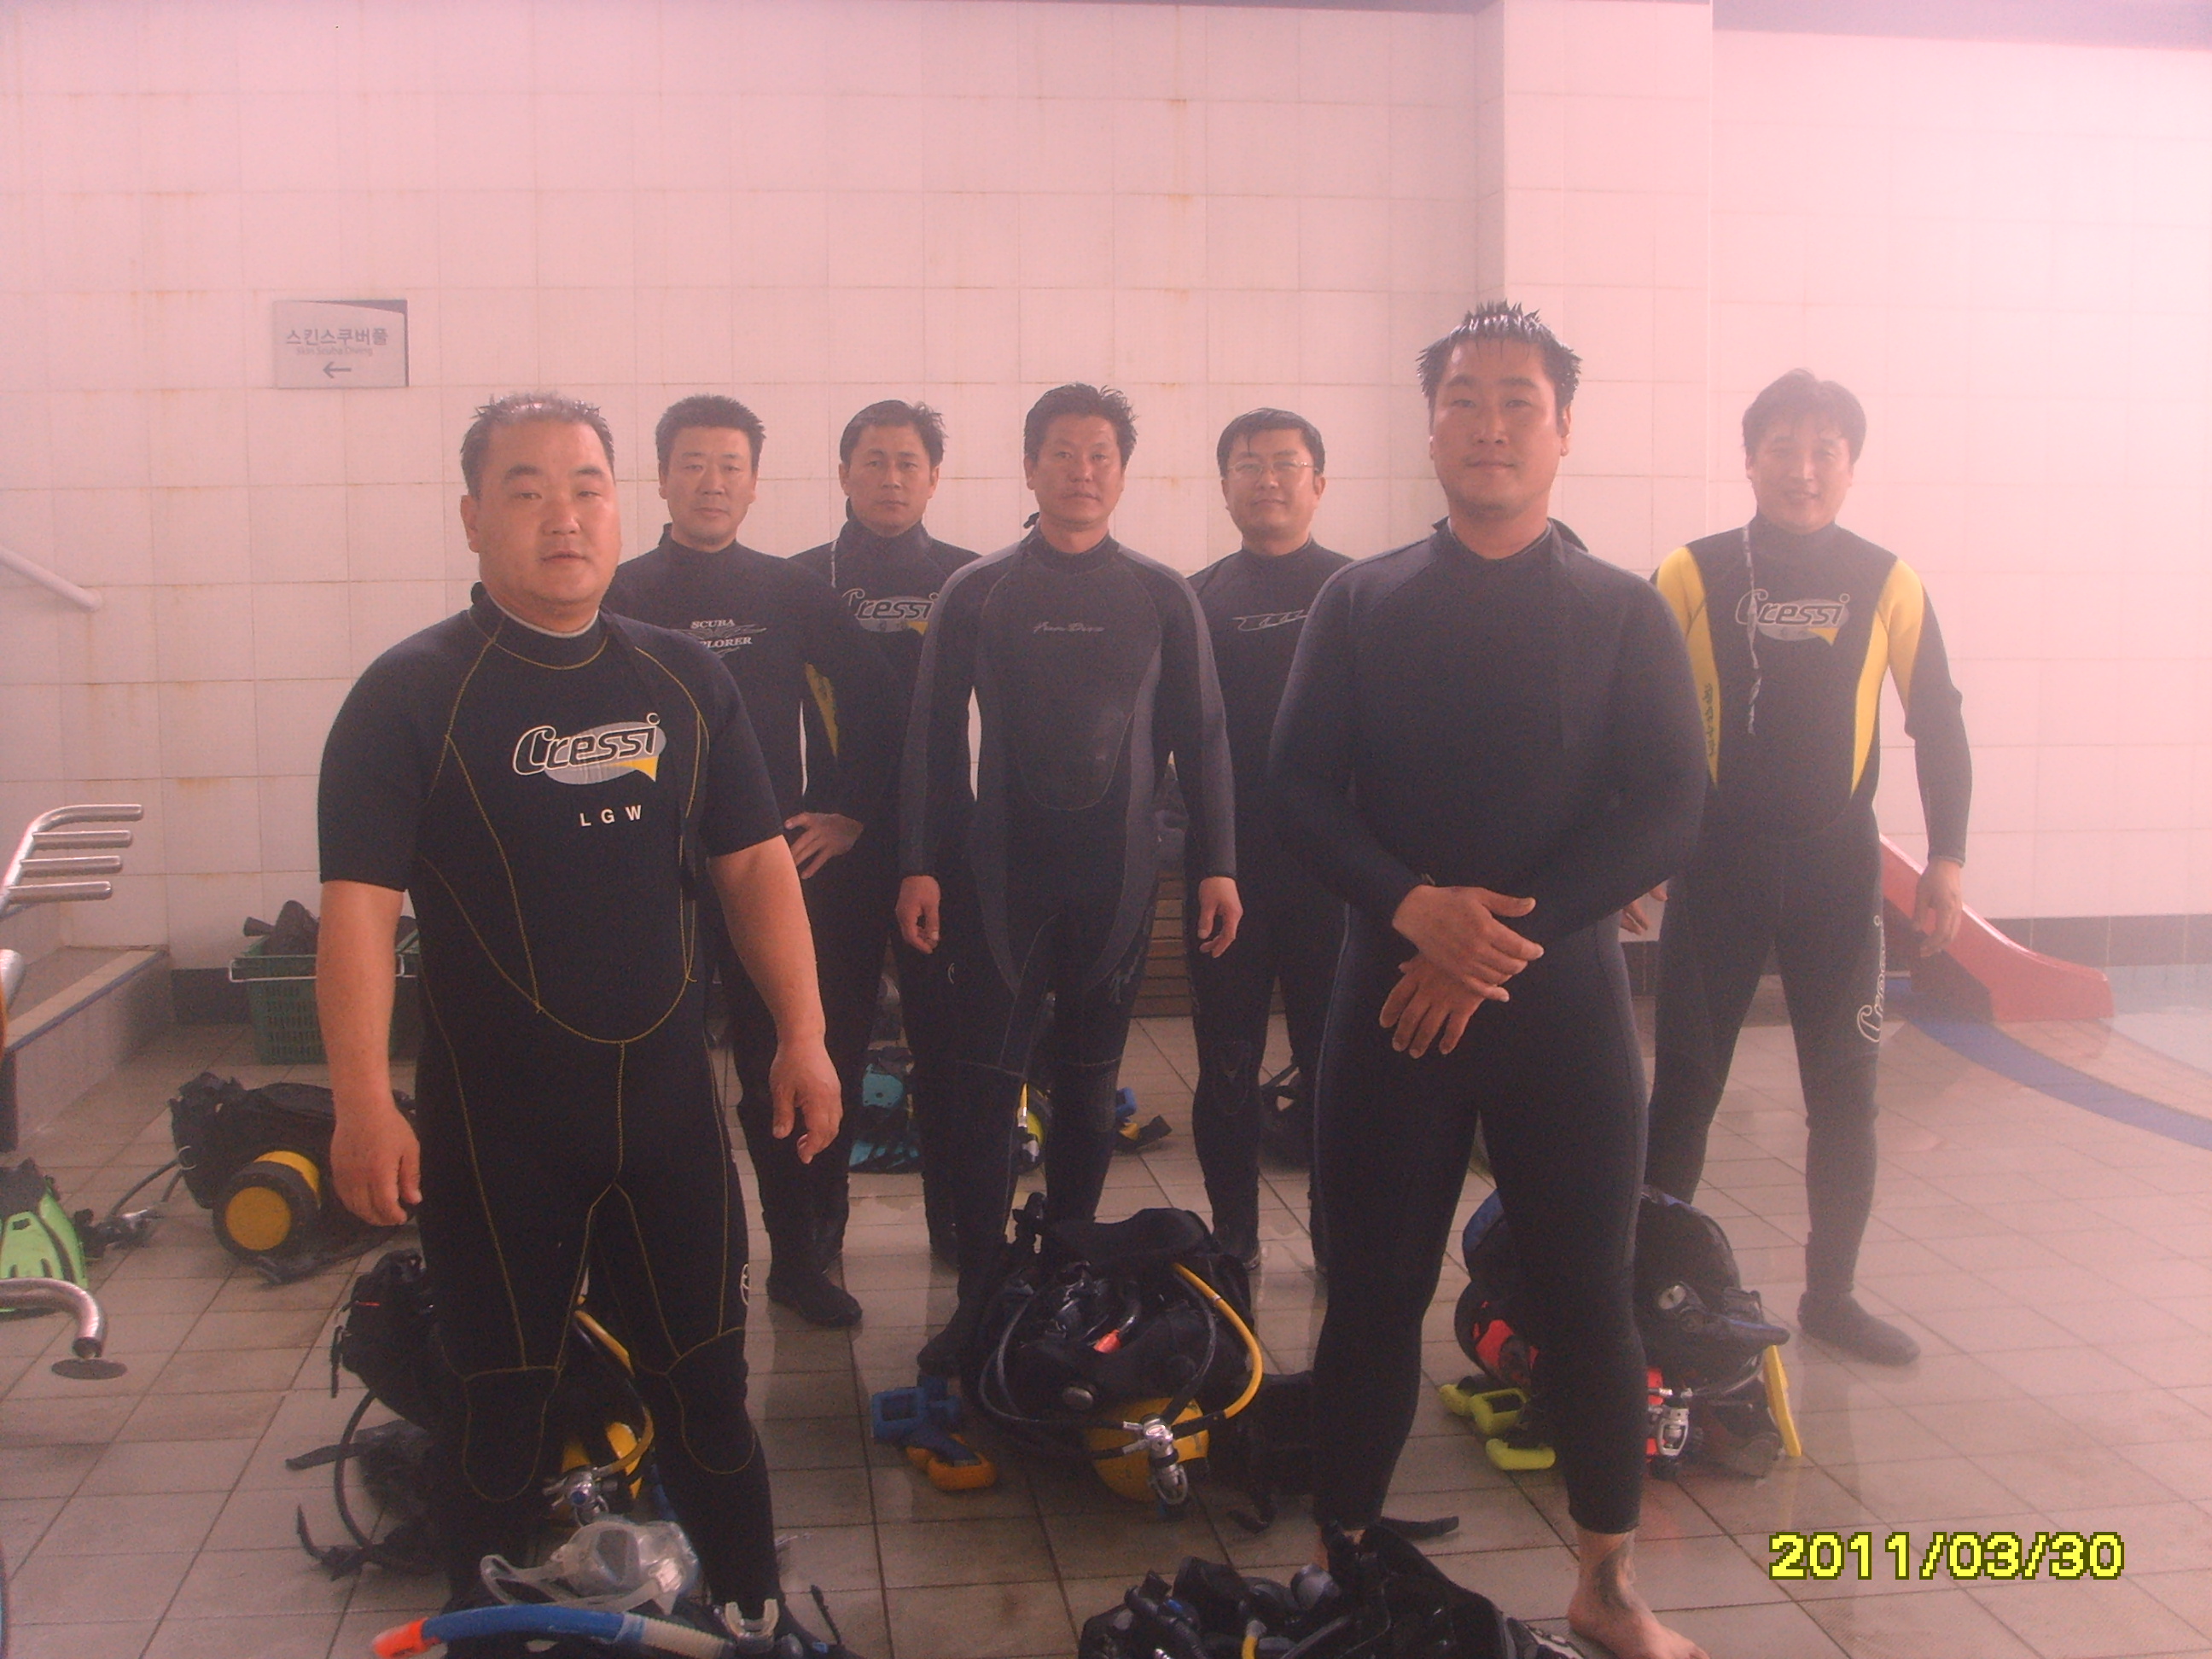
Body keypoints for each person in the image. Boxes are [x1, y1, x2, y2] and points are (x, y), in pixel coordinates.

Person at [317, 393, 843, 1652]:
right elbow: (358, 914)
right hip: (498, 1134)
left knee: (709, 1388)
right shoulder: (409, 695)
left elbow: (755, 869)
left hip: (666, 1123)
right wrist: (362, 1101)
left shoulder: (684, 677)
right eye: (528, 489)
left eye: (587, 486)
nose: (564, 515)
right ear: (472, 517)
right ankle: (481, 1625)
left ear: (620, 505)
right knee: (497, 1405)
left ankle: (751, 1612)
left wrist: (805, 1032)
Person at [1273, 305, 1709, 1659]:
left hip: (1559, 1010)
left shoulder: (1622, 610)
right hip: (1391, 1004)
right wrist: (1417, 911)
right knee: (1372, 1297)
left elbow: (1672, 807)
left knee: (1588, 1300)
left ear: (1564, 430)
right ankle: (1346, 1563)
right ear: (1431, 429)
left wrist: (1496, 940)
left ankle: (1608, 1587)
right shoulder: (1362, 601)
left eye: (1521, 400)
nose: (1492, 424)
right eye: (1465, 399)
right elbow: (1295, 787)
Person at [897, 382, 1242, 1375]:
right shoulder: (979, 591)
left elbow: (1203, 738)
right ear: (1030, 465)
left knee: (1091, 1096)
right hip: (998, 879)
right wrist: (918, 862)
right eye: (1062, 452)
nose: (1082, 470)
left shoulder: (1161, 596)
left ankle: (1064, 1274)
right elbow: (931, 738)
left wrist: (1219, 864)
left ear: (1122, 472)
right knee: (984, 1095)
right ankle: (977, 1294)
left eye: (1100, 454)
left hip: (1116, 881)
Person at [1637, 369, 1970, 1368]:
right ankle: (1649, 1289)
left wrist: (1948, 856)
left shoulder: (1887, 579)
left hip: (1837, 874)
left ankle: (1833, 1295)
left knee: (1846, 1094)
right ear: (1749, 459)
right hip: (1717, 869)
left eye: (1826, 448)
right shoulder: (1691, 572)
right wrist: (1635, 844)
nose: (1804, 467)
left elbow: (1938, 720)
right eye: (1782, 446)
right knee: (1685, 1090)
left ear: (1851, 465)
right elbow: (1634, 715)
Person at [602, 394, 901, 1329]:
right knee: (658, 1072)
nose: (712, 482)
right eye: (693, 464)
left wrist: (849, 812)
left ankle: (804, 1256)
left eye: (730, 466)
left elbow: (879, 703)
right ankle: (677, 1259)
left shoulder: (790, 592)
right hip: (650, 879)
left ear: (755, 483)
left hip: (771, 868)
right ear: (662, 478)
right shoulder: (619, 595)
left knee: (796, 1059)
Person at [791, 401, 977, 1266]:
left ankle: (955, 1224)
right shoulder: (802, 581)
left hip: (943, 845)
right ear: (843, 473)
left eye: (908, 462)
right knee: (829, 1040)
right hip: (833, 847)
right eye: (873, 461)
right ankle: (819, 1227)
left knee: (948, 1047)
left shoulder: (971, 579)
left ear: (934, 477)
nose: (891, 478)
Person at [1183, 409, 1350, 1270]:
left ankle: (1336, 1234)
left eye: (1287, 463)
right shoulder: (1196, 599)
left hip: (1338, 880)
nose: (1269, 479)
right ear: (1225, 487)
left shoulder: (1359, 592)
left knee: (1336, 1066)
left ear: (1318, 483)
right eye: (1249, 464)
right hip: (1229, 876)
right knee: (1226, 1064)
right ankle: (1234, 1236)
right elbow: (1168, 741)